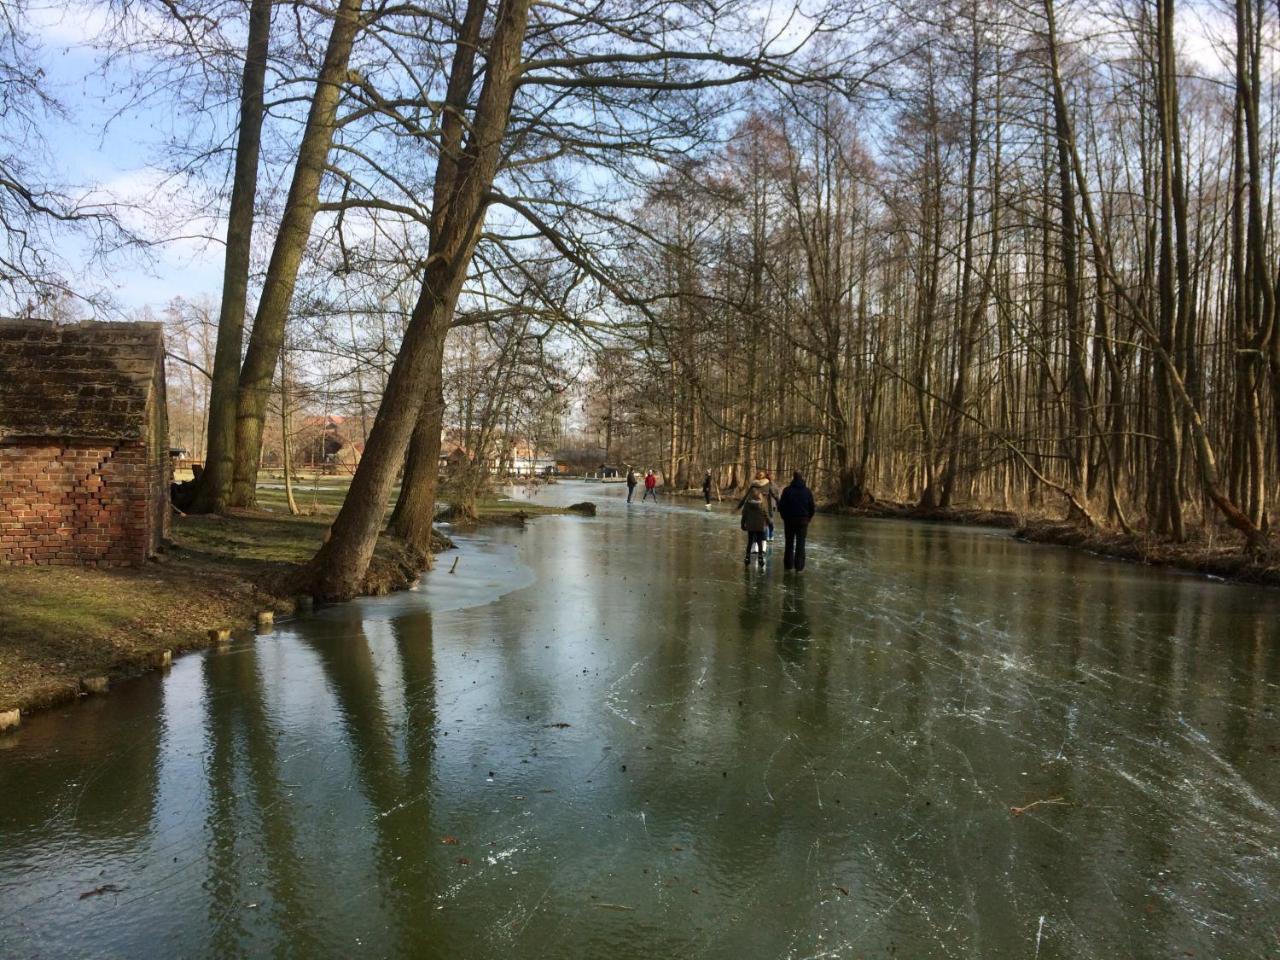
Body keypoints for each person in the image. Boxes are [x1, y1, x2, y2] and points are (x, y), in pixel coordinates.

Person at [776, 470, 816, 571]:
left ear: (793, 478)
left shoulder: (787, 490)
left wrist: (784, 517)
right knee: (801, 544)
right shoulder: (807, 491)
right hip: (803, 521)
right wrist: (808, 518)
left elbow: (781, 506)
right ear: (802, 478)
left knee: (789, 543)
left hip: (789, 521)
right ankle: (799, 567)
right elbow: (812, 507)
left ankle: (788, 565)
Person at [740, 488, 770, 564]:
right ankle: (760, 557)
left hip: (750, 526)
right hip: (760, 526)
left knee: (750, 542)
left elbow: (744, 515)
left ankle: (747, 557)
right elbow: (766, 514)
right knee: (759, 542)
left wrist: (742, 524)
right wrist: (769, 522)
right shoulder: (762, 504)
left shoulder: (747, 504)